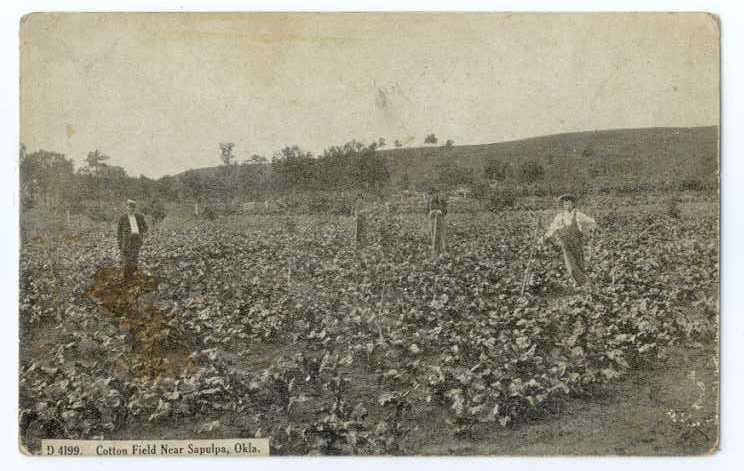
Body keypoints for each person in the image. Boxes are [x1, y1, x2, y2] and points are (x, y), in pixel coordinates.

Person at [540, 194, 596, 288]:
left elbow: (591, 221)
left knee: (579, 262)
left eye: (569, 204)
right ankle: (584, 282)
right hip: (565, 242)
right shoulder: (560, 216)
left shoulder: (578, 215)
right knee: (570, 263)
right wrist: (545, 236)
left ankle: (578, 282)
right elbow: (553, 228)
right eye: (565, 204)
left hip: (577, 241)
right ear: (563, 205)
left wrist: (590, 232)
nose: (567, 206)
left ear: (573, 204)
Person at [117, 199, 148, 279]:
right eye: (129, 207)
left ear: (135, 208)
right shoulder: (122, 218)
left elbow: (146, 228)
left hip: (136, 240)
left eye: (133, 207)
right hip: (126, 242)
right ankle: (126, 277)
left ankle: (133, 277)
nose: (131, 209)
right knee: (126, 260)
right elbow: (119, 232)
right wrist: (120, 244)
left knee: (134, 258)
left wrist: (140, 230)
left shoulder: (139, 217)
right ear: (127, 207)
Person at [426, 189, 448, 256]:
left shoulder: (442, 201)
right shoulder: (429, 202)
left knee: (441, 235)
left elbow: (445, 211)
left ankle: (442, 250)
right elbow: (427, 212)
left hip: (440, 220)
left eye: (435, 193)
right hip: (433, 221)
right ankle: (434, 250)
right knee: (433, 234)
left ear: (437, 193)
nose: (434, 195)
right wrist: (431, 212)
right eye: (432, 194)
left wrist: (440, 211)